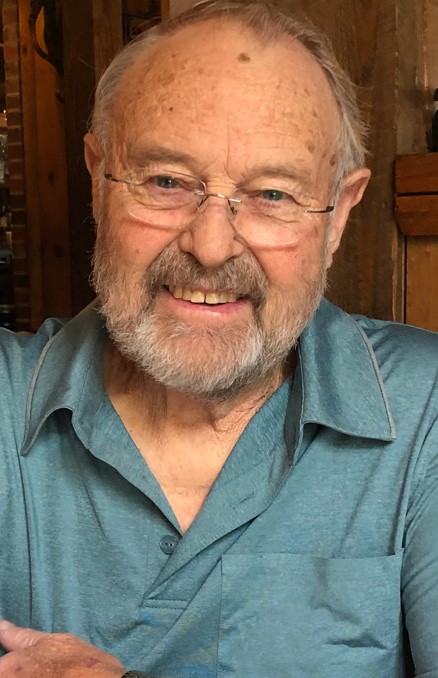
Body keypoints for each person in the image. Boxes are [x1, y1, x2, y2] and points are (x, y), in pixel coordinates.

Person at [0, 1, 437, 676]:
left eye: (272, 194)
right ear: (96, 179)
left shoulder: (426, 408)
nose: (210, 246)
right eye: (166, 182)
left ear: (339, 214)